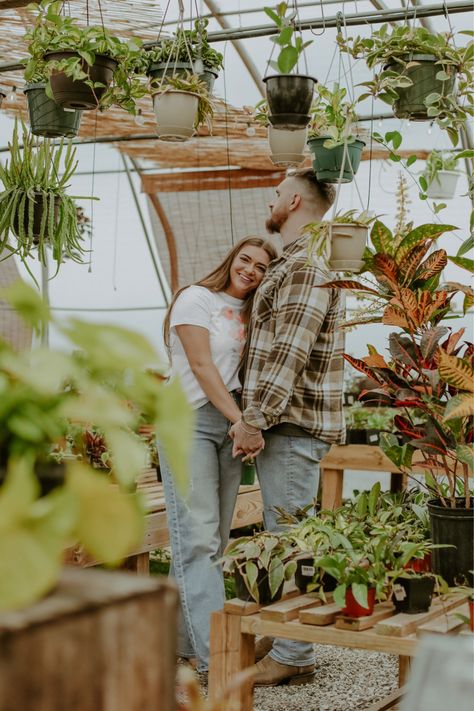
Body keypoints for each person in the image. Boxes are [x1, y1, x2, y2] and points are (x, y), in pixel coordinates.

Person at [229, 169, 346, 685]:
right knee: (286, 537)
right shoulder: (301, 262)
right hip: (290, 425)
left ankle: (295, 656)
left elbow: (289, 353)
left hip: (291, 425)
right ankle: (288, 636)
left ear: (294, 199)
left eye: (277, 193)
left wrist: (254, 419)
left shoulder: (305, 265)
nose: (271, 200)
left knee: (290, 541)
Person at [159, 236, 277, 673]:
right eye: (245, 259)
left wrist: (242, 423)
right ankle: (217, 658)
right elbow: (202, 364)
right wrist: (241, 422)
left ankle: (177, 648)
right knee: (199, 539)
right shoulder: (196, 298)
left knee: (211, 542)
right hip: (190, 420)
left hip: (230, 425)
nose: (250, 269)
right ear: (231, 259)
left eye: (261, 266)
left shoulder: (253, 314)